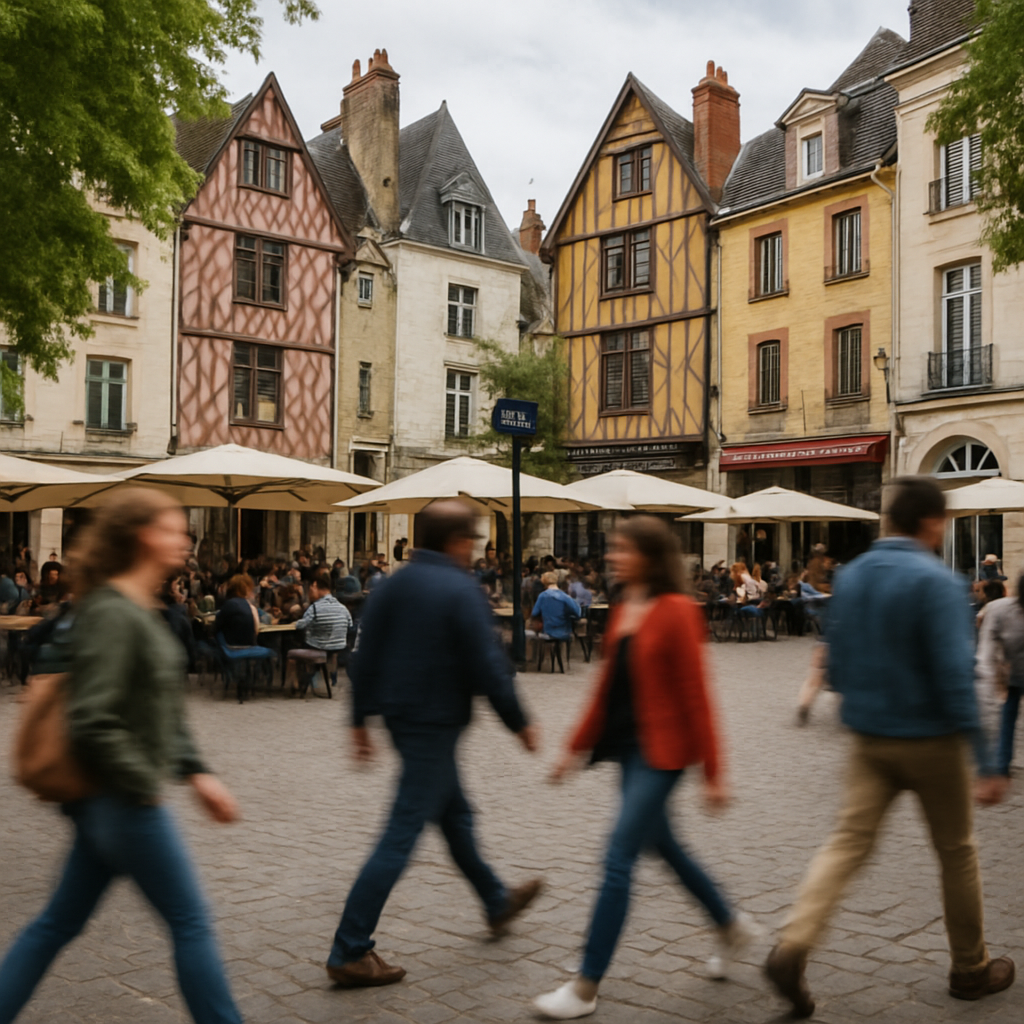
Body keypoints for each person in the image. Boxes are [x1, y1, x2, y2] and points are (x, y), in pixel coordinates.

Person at [765, 477, 1014, 1018]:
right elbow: (955, 675)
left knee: (847, 844)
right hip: (933, 740)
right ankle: (970, 968)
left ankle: (794, 944)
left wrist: (860, 707)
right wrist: (987, 760)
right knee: (957, 851)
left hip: (869, 737)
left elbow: (835, 657)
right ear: (930, 522)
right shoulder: (939, 581)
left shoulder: (853, 575)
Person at [0, 489, 242, 1024]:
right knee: (191, 921)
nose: (184, 539)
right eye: (173, 529)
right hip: (122, 800)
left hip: (104, 803)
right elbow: (94, 717)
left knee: (56, 925)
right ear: (143, 537)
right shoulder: (113, 611)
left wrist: (196, 773)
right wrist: (142, 784)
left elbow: (158, 706)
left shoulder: (136, 605)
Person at [534, 517, 755, 1020]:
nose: (614, 557)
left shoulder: (677, 611)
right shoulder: (625, 606)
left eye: (624, 549)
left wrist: (714, 774)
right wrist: (573, 749)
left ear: (650, 558)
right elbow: (607, 688)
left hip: (665, 754)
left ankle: (586, 984)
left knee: (618, 857)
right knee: (666, 847)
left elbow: (698, 696)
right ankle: (729, 925)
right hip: (628, 750)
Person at [328, 499, 542, 988]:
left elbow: (364, 657)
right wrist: (518, 721)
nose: (473, 551)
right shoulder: (459, 588)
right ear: (458, 542)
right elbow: (487, 663)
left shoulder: (389, 585)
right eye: (472, 542)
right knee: (401, 834)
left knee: (455, 817)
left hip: (403, 721)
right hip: (437, 724)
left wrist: (359, 722)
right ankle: (349, 947)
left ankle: (495, 900)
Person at [975, 574, 1024, 779]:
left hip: (1014, 671)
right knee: (1008, 717)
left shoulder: (998, 609)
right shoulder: (1000, 609)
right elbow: (985, 655)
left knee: (1008, 716)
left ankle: (1002, 765)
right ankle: (1002, 765)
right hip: (1014, 674)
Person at [291, 573, 354, 691]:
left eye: (310, 589)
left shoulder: (315, 608)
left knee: (292, 645)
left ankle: (298, 682)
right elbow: (350, 625)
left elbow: (301, 625)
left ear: (315, 586)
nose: (309, 593)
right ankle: (311, 678)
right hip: (339, 646)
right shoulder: (343, 608)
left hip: (318, 646)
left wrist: (295, 620)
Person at [532, 571, 581, 643]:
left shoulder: (542, 596)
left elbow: (534, 613)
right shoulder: (565, 597)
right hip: (565, 632)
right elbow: (577, 613)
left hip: (548, 632)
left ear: (543, 582)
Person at [215, 574, 260, 647]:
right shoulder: (252, 608)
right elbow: (256, 631)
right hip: (249, 646)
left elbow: (217, 626)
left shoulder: (228, 604)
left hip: (228, 646)